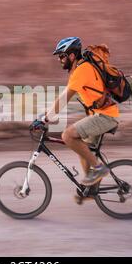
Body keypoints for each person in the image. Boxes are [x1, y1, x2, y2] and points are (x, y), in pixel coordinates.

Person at [30, 37, 119, 200]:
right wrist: (45, 115)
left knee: (68, 135)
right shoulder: (79, 70)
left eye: (61, 56)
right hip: (100, 115)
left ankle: (99, 169)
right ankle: (89, 190)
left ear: (71, 55)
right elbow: (62, 97)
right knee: (82, 147)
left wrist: (46, 119)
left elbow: (64, 98)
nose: (59, 60)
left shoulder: (82, 70)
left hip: (105, 117)